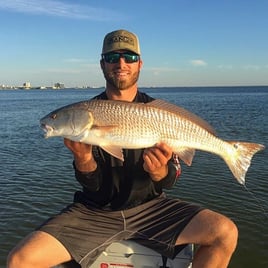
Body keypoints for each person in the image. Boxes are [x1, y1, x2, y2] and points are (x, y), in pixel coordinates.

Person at [7, 29, 238, 268]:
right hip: (94, 212)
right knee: (20, 260)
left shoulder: (159, 112)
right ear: (102, 64)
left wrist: (159, 171)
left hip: (151, 209)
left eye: (129, 57)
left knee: (225, 232)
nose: (121, 63)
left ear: (140, 64)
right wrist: (83, 159)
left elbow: (169, 180)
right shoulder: (89, 115)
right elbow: (93, 185)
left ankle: (227, 151)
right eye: (111, 57)